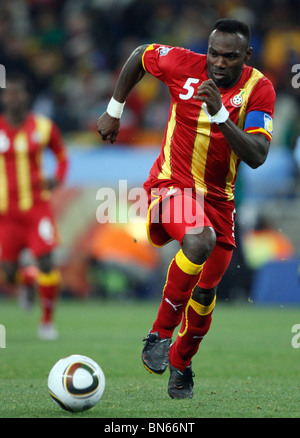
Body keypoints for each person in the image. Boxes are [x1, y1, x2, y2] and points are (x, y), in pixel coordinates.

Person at [97, 18, 276, 399]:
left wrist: (221, 116)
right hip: (170, 187)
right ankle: (160, 334)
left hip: (219, 202)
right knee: (198, 240)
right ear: (206, 50)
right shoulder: (182, 64)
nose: (219, 63)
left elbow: (258, 155)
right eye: (214, 53)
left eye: (229, 56)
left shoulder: (259, 89)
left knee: (205, 296)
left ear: (246, 56)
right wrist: (115, 109)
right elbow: (139, 56)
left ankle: (181, 361)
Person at [0, 73, 68, 340]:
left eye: (18, 93)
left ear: (26, 97)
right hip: (7, 215)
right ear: (4, 98)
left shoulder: (43, 127)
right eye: (9, 93)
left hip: (37, 208)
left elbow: (62, 156)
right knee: (8, 272)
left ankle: (47, 322)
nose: (14, 98)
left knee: (47, 262)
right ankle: (27, 280)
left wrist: (57, 178)